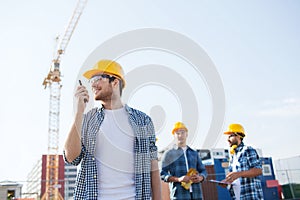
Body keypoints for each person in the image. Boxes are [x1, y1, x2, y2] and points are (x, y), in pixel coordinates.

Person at [63, 59, 161, 200]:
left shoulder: (143, 120)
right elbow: (71, 158)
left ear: (115, 82)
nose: (93, 85)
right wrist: (79, 112)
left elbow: (153, 167)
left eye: (97, 78)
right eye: (91, 81)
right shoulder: (87, 119)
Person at [160, 122, 207, 200]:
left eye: (182, 132)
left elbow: (203, 171)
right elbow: (162, 173)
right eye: (177, 133)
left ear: (187, 134)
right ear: (174, 136)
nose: (180, 135)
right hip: (179, 195)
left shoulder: (194, 153)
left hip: (197, 194)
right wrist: (178, 179)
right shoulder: (169, 153)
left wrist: (201, 177)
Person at [222, 123, 264, 200]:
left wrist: (239, 174)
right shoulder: (232, 156)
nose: (228, 139)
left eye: (230, 136)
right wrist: (227, 182)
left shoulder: (248, 150)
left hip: (251, 196)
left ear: (238, 135)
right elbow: (235, 177)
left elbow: (258, 170)